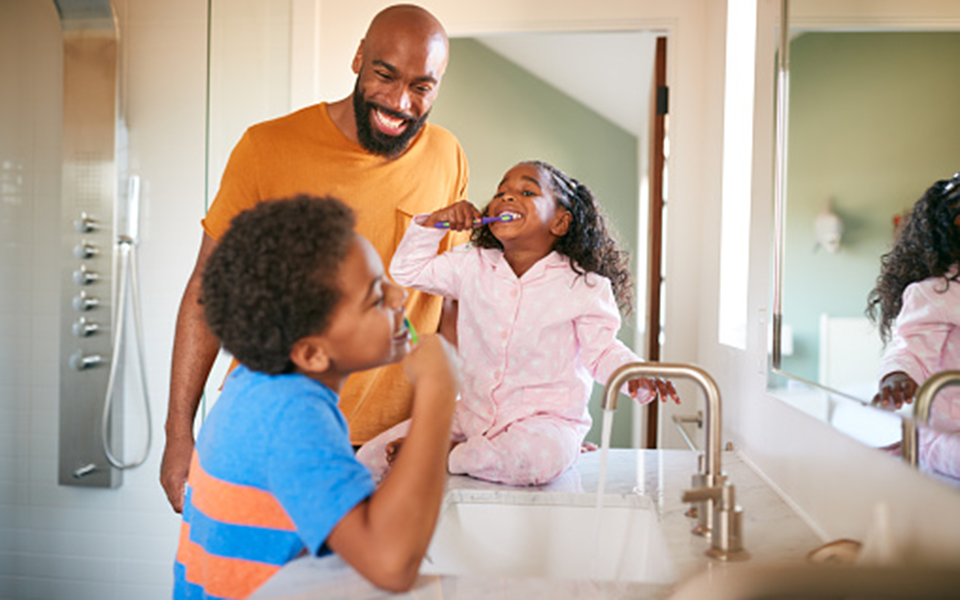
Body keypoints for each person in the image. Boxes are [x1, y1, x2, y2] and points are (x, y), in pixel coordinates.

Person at [161, 4, 468, 513]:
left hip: (394, 444)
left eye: (422, 86)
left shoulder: (447, 154)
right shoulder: (267, 148)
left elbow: (450, 299)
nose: (399, 101)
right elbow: (206, 291)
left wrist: (449, 420)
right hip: (278, 434)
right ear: (357, 59)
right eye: (385, 75)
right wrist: (178, 436)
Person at [173, 196, 459, 598]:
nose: (399, 299)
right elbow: (391, 564)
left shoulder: (255, 387)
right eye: (376, 298)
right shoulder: (291, 415)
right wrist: (439, 391)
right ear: (311, 352)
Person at [357, 160, 678, 486]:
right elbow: (408, 271)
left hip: (546, 423)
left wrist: (634, 374)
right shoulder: (472, 266)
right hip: (471, 416)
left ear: (560, 222)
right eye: (501, 191)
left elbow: (603, 351)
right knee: (370, 455)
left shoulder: (584, 286)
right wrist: (435, 223)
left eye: (527, 191)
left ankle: (450, 453)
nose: (507, 198)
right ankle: (459, 452)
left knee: (532, 458)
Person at [868, 172, 960, 481]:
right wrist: (898, 375)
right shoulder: (936, 292)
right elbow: (911, 347)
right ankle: (921, 446)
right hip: (947, 428)